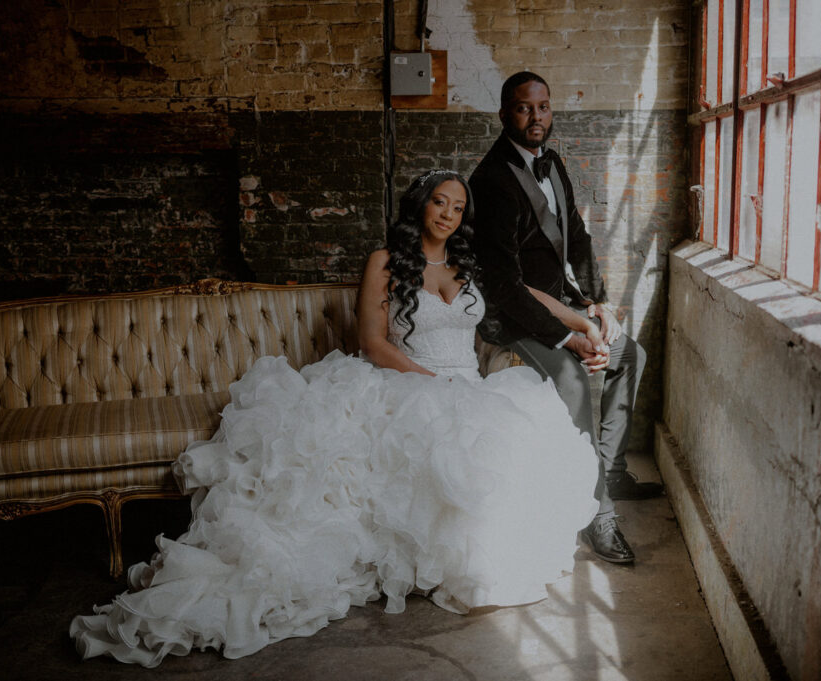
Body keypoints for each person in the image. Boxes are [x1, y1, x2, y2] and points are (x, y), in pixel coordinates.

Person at [68, 170, 600, 667]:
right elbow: (371, 343)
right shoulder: (385, 260)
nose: (448, 214)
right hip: (407, 381)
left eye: (459, 207)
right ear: (421, 205)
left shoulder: (472, 262)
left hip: (470, 387)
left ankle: (462, 560)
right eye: (440, 202)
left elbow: (522, 294)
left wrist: (581, 319)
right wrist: (429, 380)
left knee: (508, 451)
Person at [469, 71, 663, 566]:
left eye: (544, 107)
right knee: (574, 382)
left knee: (629, 355)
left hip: (561, 305)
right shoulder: (491, 181)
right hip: (512, 319)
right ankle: (598, 511)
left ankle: (612, 467)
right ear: (504, 114)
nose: (536, 118)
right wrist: (566, 337)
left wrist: (597, 303)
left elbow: (577, 238)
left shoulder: (552, 163)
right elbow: (504, 285)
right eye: (523, 108)